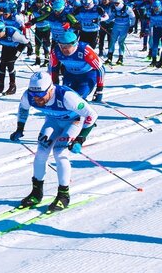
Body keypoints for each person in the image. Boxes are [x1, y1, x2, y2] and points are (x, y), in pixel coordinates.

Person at [9, 71, 98, 211]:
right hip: (53, 121)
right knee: (41, 153)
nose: (36, 99)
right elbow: (23, 108)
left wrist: (80, 139)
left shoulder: (66, 97)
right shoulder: (29, 95)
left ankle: (63, 195)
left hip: (73, 121)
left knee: (59, 152)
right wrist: (20, 128)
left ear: (50, 89)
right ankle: (36, 193)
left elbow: (92, 114)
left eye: (40, 95)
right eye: (33, 95)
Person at [49, 28, 105, 102]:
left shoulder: (85, 51)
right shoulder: (56, 51)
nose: (63, 49)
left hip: (87, 75)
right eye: (61, 45)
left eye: (67, 46)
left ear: (75, 44)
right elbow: (54, 68)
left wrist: (99, 90)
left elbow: (101, 69)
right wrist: (55, 85)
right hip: (70, 75)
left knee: (77, 98)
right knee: (65, 97)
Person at [0, 18, 30, 95]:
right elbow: (2, 40)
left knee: (10, 63)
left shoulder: (14, 35)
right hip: (6, 46)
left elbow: (26, 42)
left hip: (18, 46)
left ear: (4, 30)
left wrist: (29, 50)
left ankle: (12, 86)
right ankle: (0, 86)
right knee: (2, 64)